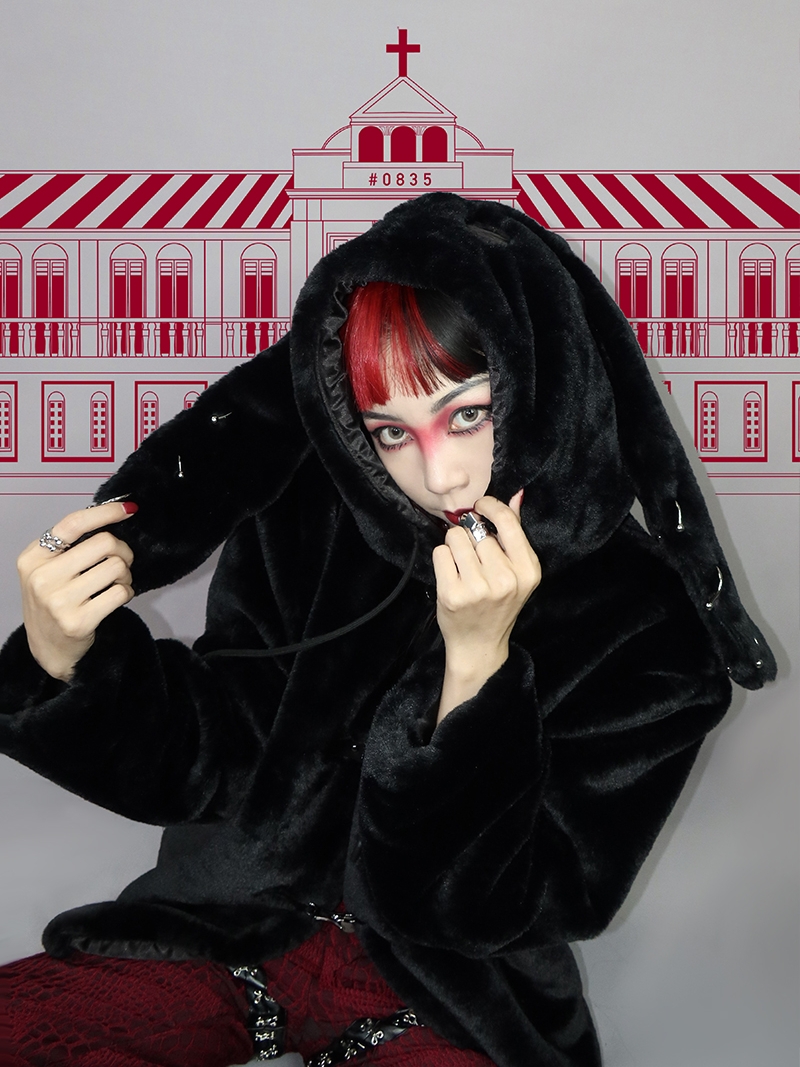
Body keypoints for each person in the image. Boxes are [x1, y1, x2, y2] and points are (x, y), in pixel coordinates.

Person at [0, 192, 775, 1067]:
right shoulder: (312, 520)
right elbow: (212, 756)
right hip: (223, 929)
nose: (438, 475)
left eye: (468, 414)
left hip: (448, 996)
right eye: (391, 432)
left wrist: (475, 673)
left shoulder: (651, 628)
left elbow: (529, 899)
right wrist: (65, 664)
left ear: (544, 386)